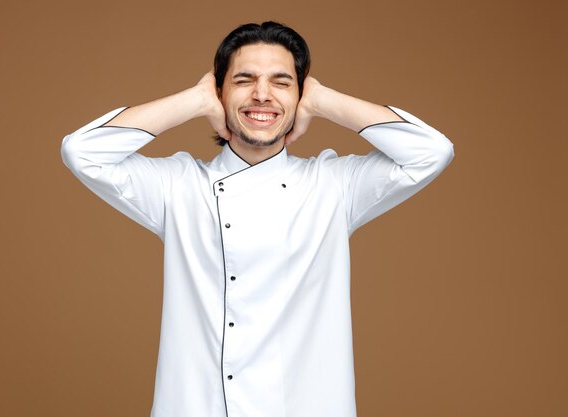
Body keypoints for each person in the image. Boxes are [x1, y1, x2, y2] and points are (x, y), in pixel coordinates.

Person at [61, 21, 454, 417]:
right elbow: (83, 152)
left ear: (300, 97)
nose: (262, 95)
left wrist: (323, 99)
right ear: (220, 92)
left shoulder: (331, 185)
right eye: (244, 80)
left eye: (282, 83)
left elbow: (431, 151)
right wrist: (194, 100)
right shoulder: (179, 186)